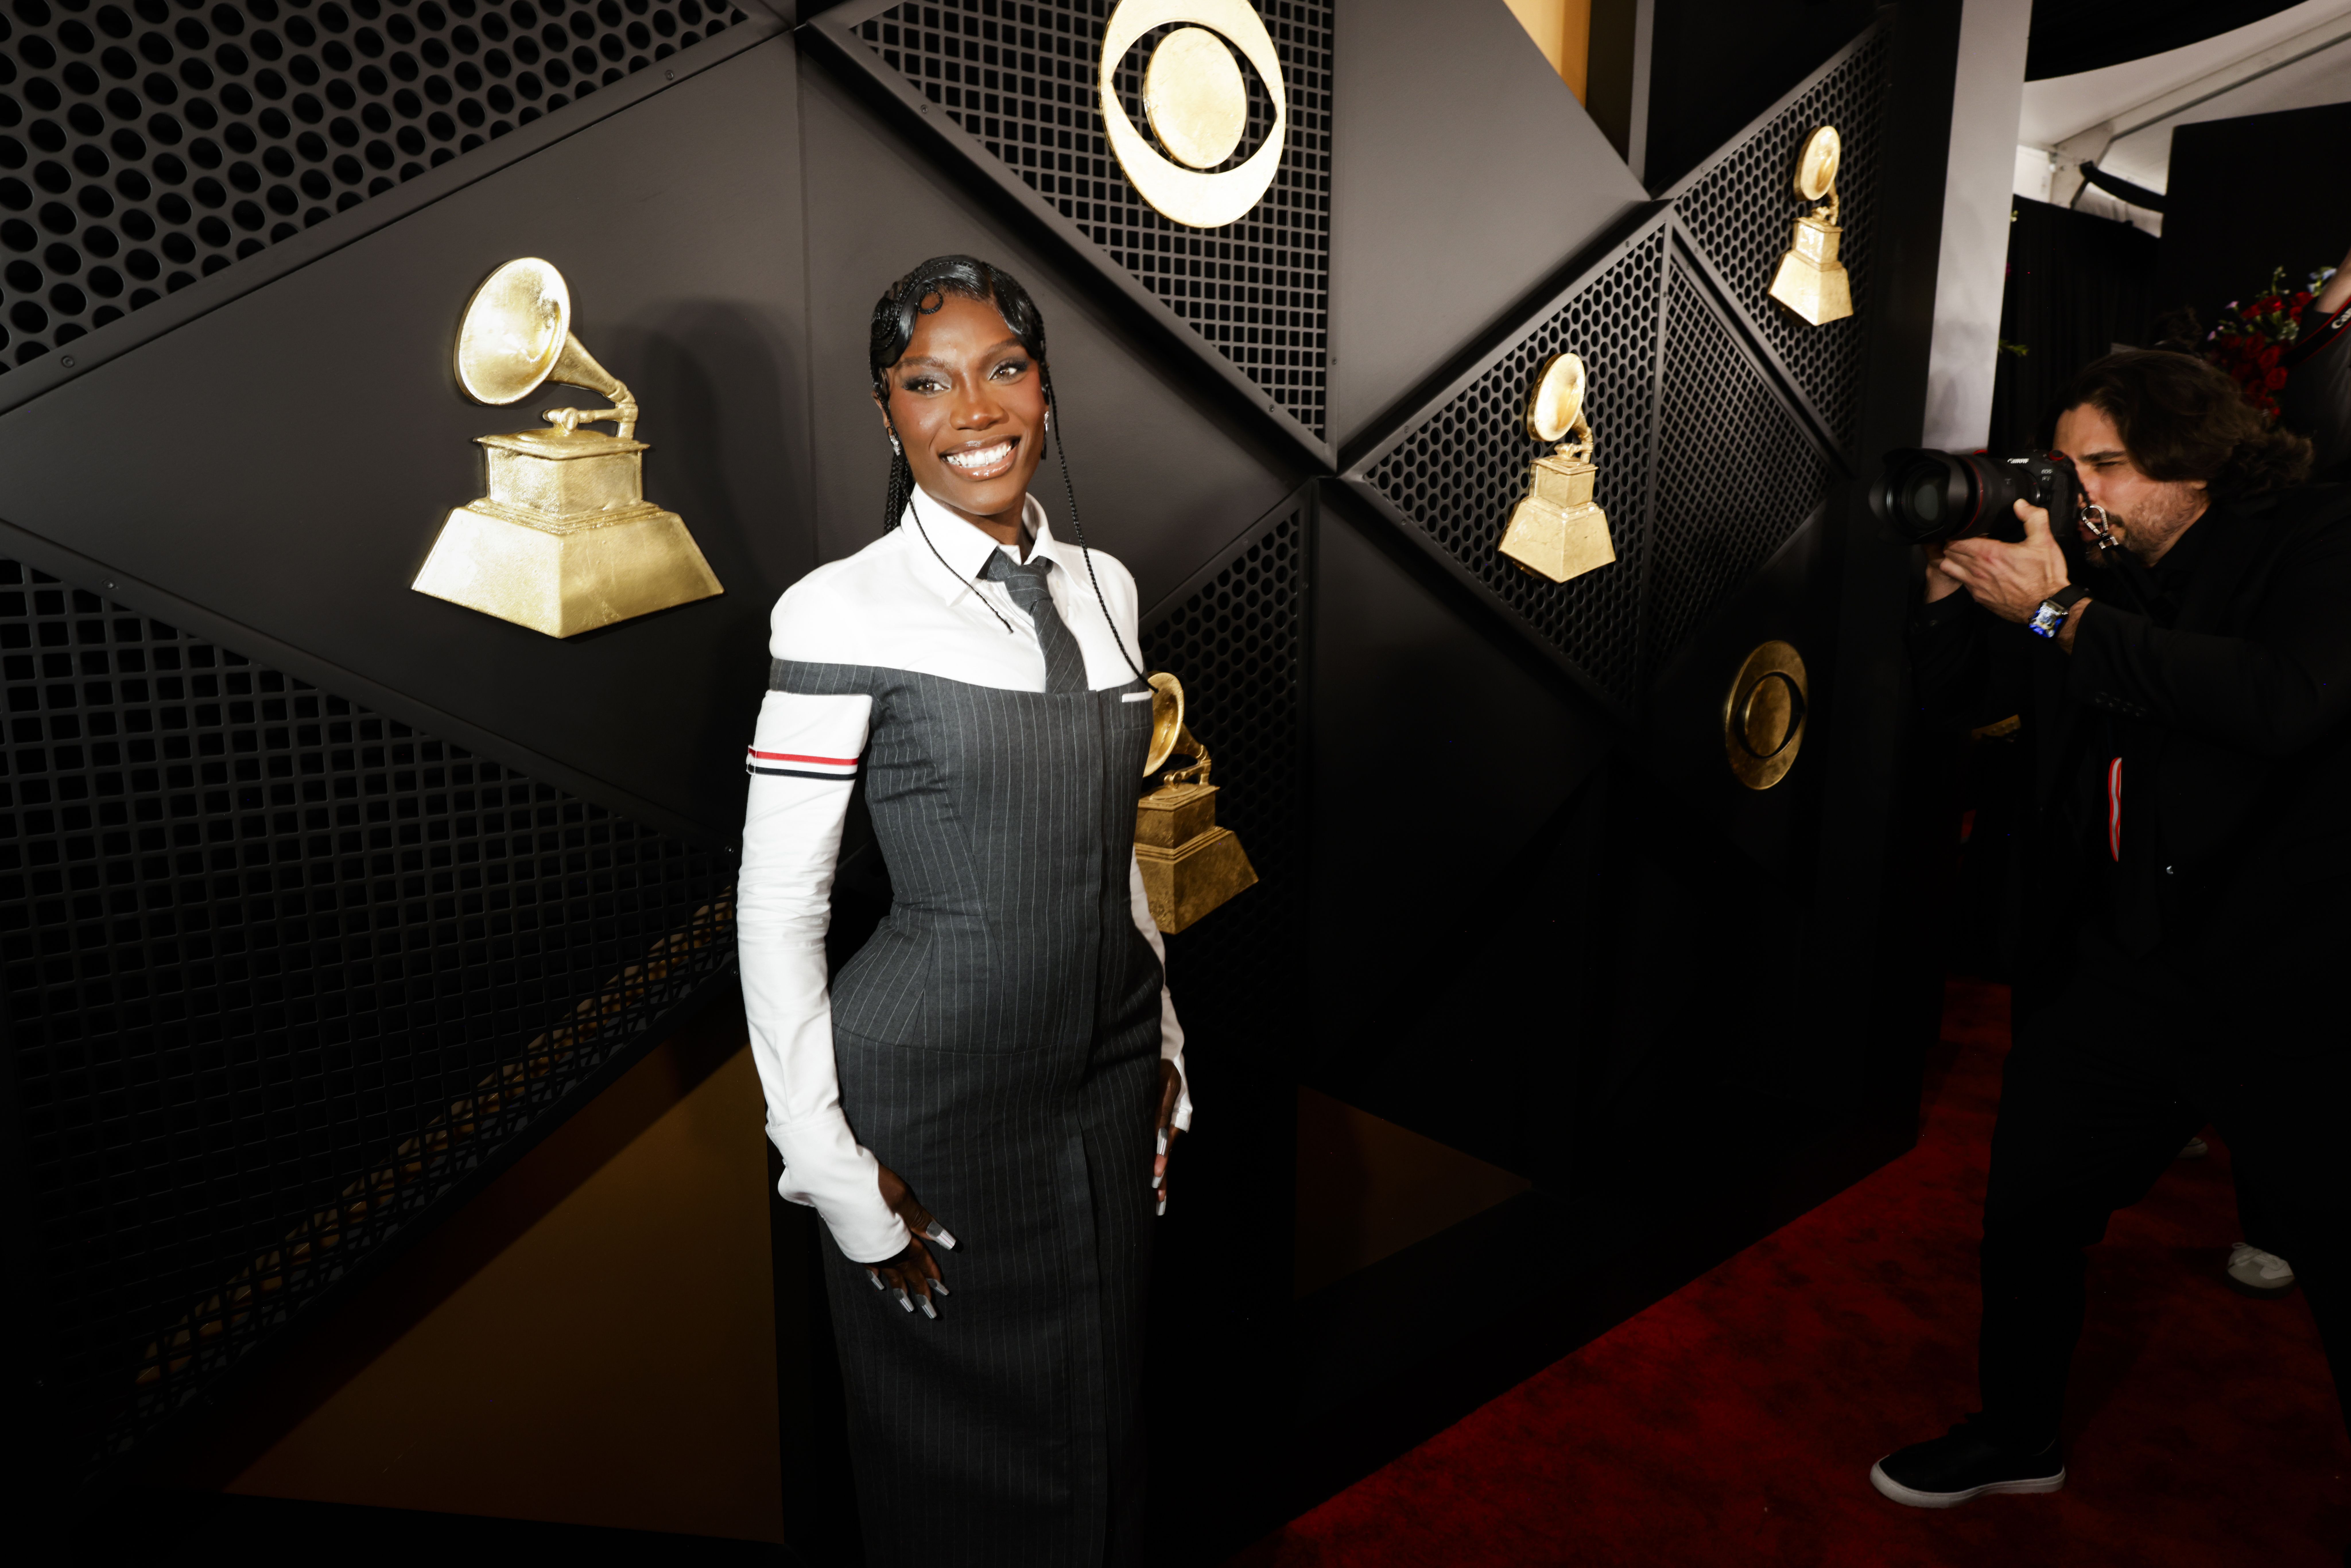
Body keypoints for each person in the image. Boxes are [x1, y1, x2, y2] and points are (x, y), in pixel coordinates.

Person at [734, 254, 1191, 1563]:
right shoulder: (836, 608)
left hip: (1103, 1079)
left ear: (1045, 388)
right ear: (888, 415)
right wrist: (821, 1163)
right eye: (927, 383)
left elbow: (1109, 856)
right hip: (929, 1102)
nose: (972, 410)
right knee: (949, 1471)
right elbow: (778, 905)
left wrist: (1159, 1041)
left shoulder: (1106, 585)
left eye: (1003, 369)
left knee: (1105, 1421)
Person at [1874, 350, 2351, 1512]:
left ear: (2193, 467)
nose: (2073, 486)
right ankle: (2015, 1433)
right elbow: (1954, 704)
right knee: (2028, 1209)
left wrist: (2052, 612)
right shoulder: (2079, 571)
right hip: (2124, 963)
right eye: (2064, 458)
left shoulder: (2314, 536)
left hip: (2293, 976)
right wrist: (1951, 588)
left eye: (2104, 464)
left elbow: (2276, 701)